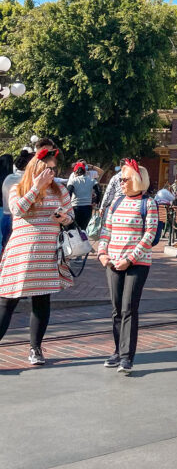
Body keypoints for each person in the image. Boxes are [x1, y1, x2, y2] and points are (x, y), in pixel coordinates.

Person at [0, 140, 74, 365]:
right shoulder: (17, 187)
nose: (51, 173)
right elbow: (18, 210)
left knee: (41, 301)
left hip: (47, 253)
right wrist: (36, 188)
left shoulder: (60, 189)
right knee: (7, 300)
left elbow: (70, 217)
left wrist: (65, 218)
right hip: (21, 253)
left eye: (53, 169)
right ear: (36, 169)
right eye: (47, 169)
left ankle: (35, 349)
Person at [97, 160, 159, 374]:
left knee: (129, 308)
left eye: (125, 179)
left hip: (137, 263)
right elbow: (106, 230)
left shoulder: (149, 204)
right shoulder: (115, 202)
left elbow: (149, 235)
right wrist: (102, 253)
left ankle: (126, 356)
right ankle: (116, 350)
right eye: (120, 180)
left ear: (138, 180)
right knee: (116, 309)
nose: (121, 183)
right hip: (112, 262)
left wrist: (130, 259)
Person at [1, 151, 32, 255]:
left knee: (5, 248)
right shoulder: (26, 181)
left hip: (5, 217)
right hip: (18, 220)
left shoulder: (8, 178)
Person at [67, 161, 99, 231]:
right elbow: (98, 191)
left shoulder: (73, 181)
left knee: (74, 229)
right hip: (87, 207)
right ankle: (83, 240)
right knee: (83, 229)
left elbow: (68, 193)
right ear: (85, 171)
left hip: (76, 207)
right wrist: (96, 201)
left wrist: (67, 205)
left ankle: (75, 241)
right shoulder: (92, 180)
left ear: (75, 172)